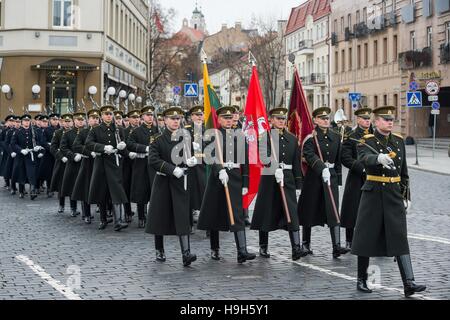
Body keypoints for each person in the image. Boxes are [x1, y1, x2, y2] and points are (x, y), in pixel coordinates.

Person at [352, 106, 426, 297]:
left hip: (393, 194)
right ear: (376, 122)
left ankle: (409, 282)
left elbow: (404, 173)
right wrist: (378, 158)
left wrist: (406, 197)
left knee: (399, 236)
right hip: (374, 193)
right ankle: (362, 279)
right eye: (385, 119)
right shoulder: (366, 141)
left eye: (391, 119)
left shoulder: (399, 141)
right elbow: (363, 158)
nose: (390, 122)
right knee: (367, 237)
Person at [198, 106, 256, 264]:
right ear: (219, 119)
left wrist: (245, 182)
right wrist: (219, 169)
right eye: (225, 118)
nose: (229, 121)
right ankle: (215, 249)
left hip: (235, 177)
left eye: (231, 118)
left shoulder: (240, 136)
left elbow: (245, 161)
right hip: (218, 179)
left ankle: (242, 251)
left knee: (237, 214)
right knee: (215, 213)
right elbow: (209, 155)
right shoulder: (213, 135)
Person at [251, 108, 307, 260]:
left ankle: (296, 248)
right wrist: (274, 168)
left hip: (287, 178)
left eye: (283, 118)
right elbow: (264, 156)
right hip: (270, 178)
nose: (281, 121)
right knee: (266, 211)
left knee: (292, 213)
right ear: (272, 120)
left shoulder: (293, 139)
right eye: (278, 118)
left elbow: (296, 163)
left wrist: (298, 185)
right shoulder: (265, 137)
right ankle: (263, 247)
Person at [146, 106, 197, 266]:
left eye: (178, 119)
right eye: (172, 119)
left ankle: (186, 253)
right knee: (160, 217)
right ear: (165, 120)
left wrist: (192, 161)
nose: (176, 121)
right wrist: (171, 169)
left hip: (181, 182)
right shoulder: (157, 139)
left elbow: (189, 156)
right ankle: (159, 249)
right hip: (163, 182)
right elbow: (153, 160)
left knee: (182, 217)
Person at [297, 107, 349, 259]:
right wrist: (321, 168)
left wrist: (338, 179)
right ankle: (305, 244)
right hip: (314, 178)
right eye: (322, 118)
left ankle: (336, 246)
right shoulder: (310, 138)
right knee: (309, 209)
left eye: (327, 118)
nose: (326, 121)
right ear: (315, 120)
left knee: (333, 211)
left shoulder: (336, 136)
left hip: (331, 177)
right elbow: (309, 155)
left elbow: (338, 160)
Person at [86, 105, 129, 231]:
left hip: (115, 163)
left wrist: (123, 148)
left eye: (111, 114)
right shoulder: (96, 130)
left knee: (117, 192)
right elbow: (89, 144)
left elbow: (123, 145)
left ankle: (119, 221)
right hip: (102, 163)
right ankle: (103, 219)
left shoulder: (118, 129)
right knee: (102, 192)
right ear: (101, 116)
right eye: (106, 114)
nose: (109, 116)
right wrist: (103, 148)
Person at [340, 108, 373, 249]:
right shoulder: (351, 135)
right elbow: (345, 157)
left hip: (373, 178)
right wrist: (361, 168)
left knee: (372, 209)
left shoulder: (374, 135)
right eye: (364, 119)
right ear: (358, 120)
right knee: (353, 209)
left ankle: (370, 238)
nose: (367, 121)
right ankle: (349, 240)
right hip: (356, 178)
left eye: (368, 118)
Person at [127, 105, 159, 228]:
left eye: (151, 115)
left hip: (154, 165)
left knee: (155, 191)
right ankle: (141, 217)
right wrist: (144, 148)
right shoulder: (136, 131)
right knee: (141, 191)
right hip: (141, 164)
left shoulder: (158, 130)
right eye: (147, 115)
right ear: (142, 117)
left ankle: (154, 216)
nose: (150, 117)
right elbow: (130, 144)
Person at [72, 109, 100, 224]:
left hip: (99, 162)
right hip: (88, 162)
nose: (95, 120)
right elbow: (76, 146)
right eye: (93, 118)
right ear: (88, 120)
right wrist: (89, 152)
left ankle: (103, 213)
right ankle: (86, 213)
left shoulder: (100, 131)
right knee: (86, 188)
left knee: (99, 187)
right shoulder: (83, 132)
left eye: (97, 118)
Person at [60, 112, 87, 217]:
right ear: (74, 121)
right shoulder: (68, 134)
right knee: (73, 186)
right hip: (73, 163)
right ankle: (73, 208)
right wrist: (72, 155)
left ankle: (86, 212)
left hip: (85, 162)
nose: (80, 122)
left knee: (85, 186)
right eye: (78, 120)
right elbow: (63, 148)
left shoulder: (88, 132)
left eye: (82, 120)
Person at [10, 114, 42, 200]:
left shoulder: (34, 131)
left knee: (32, 173)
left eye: (28, 121)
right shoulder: (17, 132)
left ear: (30, 122)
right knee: (21, 173)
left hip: (31, 155)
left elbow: (38, 141)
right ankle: (21, 191)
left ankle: (32, 191)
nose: (26, 122)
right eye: (25, 121)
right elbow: (13, 144)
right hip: (21, 156)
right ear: (22, 122)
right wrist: (20, 150)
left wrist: (37, 147)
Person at [185, 105, 206, 227]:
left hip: (204, 166)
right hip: (191, 166)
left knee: (205, 194)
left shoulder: (208, 129)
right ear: (191, 116)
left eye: (201, 114)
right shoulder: (186, 130)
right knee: (191, 195)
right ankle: (189, 223)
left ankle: (207, 223)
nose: (199, 117)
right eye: (196, 115)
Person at [50, 114, 74, 213]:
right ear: (62, 122)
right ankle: (61, 204)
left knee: (73, 185)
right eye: (65, 121)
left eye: (69, 121)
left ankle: (73, 207)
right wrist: (61, 157)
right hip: (62, 162)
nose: (67, 123)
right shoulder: (58, 133)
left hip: (72, 161)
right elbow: (53, 147)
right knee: (61, 184)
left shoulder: (75, 132)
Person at [38, 113, 60, 197]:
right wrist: (51, 147)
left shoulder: (61, 130)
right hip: (49, 154)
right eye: (53, 120)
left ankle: (59, 188)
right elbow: (43, 142)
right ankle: (49, 189)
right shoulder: (46, 130)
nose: (55, 121)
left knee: (58, 172)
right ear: (50, 120)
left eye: (57, 120)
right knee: (49, 173)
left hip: (59, 154)